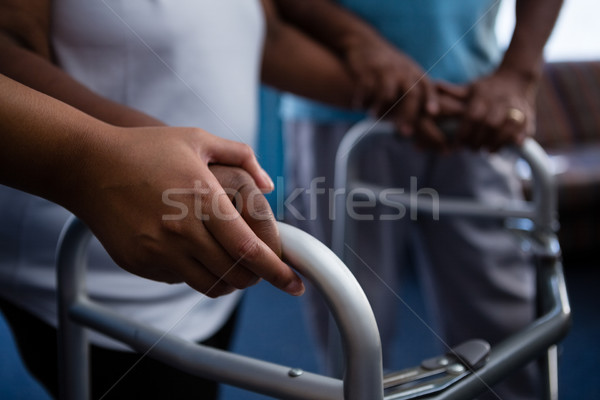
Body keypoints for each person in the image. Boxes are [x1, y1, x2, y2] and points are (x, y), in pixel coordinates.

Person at [0, 1, 358, 398]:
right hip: (97, 264)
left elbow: (265, 34)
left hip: (206, 240)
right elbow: (8, 48)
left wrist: (401, 92)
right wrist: (126, 155)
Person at [275, 0, 563, 399]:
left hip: (474, 114)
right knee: (351, 322)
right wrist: (357, 40)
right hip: (337, 114)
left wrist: (519, 73)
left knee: (505, 323)